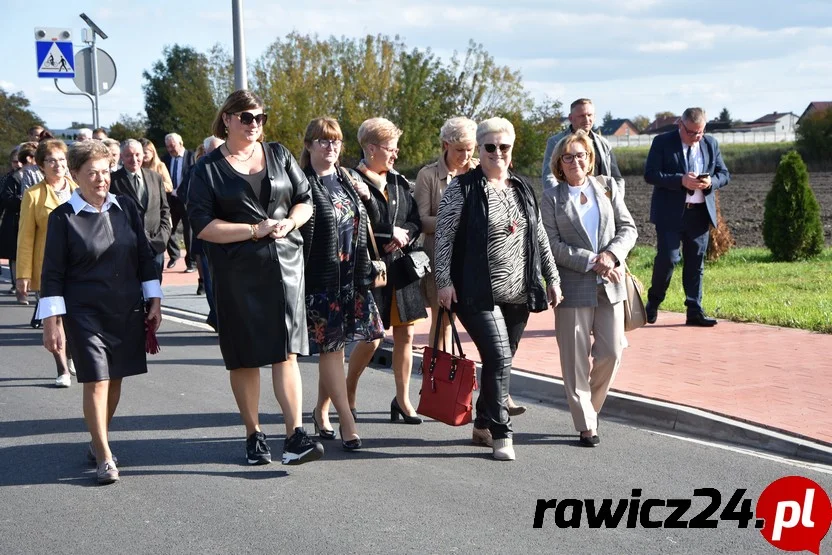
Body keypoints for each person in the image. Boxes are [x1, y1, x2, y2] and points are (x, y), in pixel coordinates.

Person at [188, 89, 323, 467]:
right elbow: (202, 225)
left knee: (286, 353)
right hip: (237, 273)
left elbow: (304, 198)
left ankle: (295, 434)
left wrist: (289, 222)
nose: (254, 124)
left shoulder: (278, 154)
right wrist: (253, 230)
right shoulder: (207, 169)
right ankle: (254, 434)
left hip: (286, 267)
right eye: (246, 117)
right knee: (245, 358)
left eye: (260, 117)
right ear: (227, 118)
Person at [434, 117, 562, 461]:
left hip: (519, 292)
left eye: (503, 146)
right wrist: (443, 282)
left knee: (498, 362)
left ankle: (481, 423)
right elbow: (444, 237)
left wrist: (553, 278)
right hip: (477, 292)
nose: (497, 153)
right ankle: (502, 432)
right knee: (499, 356)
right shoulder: (462, 188)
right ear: (480, 148)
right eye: (489, 147)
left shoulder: (521, 188)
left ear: (511, 148)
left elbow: (539, 236)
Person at [36, 140, 163, 485]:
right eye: (91, 173)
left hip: (124, 309)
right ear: (76, 175)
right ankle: (105, 456)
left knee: (116, 378)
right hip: (84, 313)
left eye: (105, 171)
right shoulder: (62, 217)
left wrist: (154, 298)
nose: (100, 179)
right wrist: (52, 322)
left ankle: (97, 437)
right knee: (97, 380)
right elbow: (52, 274)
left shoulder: (126, 209)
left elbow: (143, 256)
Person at [541, 130, 637, 447]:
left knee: (612, 352)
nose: (575, 161)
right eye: (568, 157)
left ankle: (589, 410)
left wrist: (611, 256)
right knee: (575, 359)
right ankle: (586, 425)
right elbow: (551, 244)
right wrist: (589, 260)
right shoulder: (552, 197)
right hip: (573, 284)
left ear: (590, 158)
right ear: (559, 163)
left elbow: (628, 228)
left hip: (610, 282)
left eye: (581, 155)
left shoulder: (607, 188)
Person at [299, 117, 385, 450]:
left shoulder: (346, 177)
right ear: (308, 146)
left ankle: (321, 409)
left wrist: (370, 192)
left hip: (353, 275)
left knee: (372, 338)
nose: (331, 146)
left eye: (335, 141)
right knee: (332, 351)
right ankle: (346, 420)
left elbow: (375, 219)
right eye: (323, 141)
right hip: (322, 281)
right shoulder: (302, 183)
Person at [346, 117, 427, 425]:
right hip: (372, 270)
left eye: (396, 148)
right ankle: (348, 392)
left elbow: (415, 219)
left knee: (407, 334)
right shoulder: (352, 181)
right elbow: (351, 223)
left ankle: (403, 399)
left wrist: (404, 233)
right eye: (390, 148)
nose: (395, 154)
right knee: (372, 338)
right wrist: (386, 233)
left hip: (403, 269)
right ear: (370, 148)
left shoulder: (398, 181)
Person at [643, 107, 730, 327]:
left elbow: (724, 174)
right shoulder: (662, 142)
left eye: (700, 132)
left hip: (699, 213)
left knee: (696, 263)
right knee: (668, 259)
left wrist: (711, 182)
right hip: (670, 214)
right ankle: (653, 303)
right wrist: (680, 180)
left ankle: (694, 309)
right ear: (680, 125)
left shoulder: (710, 144)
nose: (696, 137)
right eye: (691, 132)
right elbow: (650, 174)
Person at [16, 140, 78, 385]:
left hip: (78, 266)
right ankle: (62, 368)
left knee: (75, 316)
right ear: (41, 165)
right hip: (48, 267)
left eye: (62, 160)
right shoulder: (33, 196)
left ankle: (71, 354)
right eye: (51, 160)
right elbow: (25, 237)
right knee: (55, 317)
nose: (58, 165)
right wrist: (23, 274)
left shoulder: (78, 189)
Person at [110, 140, 172, 280]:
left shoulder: (155, 177)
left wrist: (163, 235)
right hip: (127, 246)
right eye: (129, 155)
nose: (134, 159)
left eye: (137, 154)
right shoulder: (113, 181)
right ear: (121, 156)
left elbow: (164, 209)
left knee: (155, 287)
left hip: (156, 245)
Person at [542, 98, 624, 194]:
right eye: (581, 116)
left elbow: (617, 178)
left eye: (589, 115)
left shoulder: (604, 144)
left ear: (594, 117)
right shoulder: (556, 142)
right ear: (571, 118)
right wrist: (561, 201)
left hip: (602, 202)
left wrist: (614, 200)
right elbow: (549, 177)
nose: (586, 119)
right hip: (569, 202)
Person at [185, 136, 222, 327]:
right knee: (210, 279)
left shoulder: (232, 169)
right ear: (205, 151)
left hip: (229, 236)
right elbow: (185, 195)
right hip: (207, 233)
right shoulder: (197, 170)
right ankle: (216, 316)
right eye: (214, 150)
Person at [162, 132, 196, 272]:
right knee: (168, 228)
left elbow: (193, 177)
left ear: (181, 143)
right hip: (170, 199)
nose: (170, 149)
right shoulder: (165, 159)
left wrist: (181, 190)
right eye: (168, 146)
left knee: (189, 233)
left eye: (172, 145)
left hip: (187, 199)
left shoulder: (191, 157)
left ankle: (191, 262)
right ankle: (174, 255)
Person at [0, 147, 23, 294]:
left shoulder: (37, 176)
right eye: (15, 161)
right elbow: (5, 200)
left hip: (28, 219)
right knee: (14, 254)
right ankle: (16, 284)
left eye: (21, 161)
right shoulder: (8, 178)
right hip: (13, 220)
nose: (18, 165)